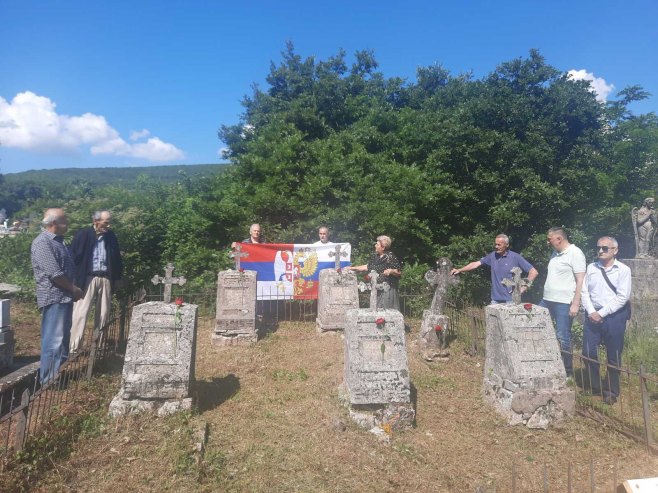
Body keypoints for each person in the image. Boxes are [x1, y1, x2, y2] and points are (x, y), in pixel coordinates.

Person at [31, 208, 83, 383]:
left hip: (63, 297)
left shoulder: (58, 242)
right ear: (53, 223)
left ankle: (57, 375)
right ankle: (48, 381)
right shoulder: (43, 243)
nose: (67, 223)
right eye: (64, 220)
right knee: (53, 340)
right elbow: (54, 273)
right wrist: (73, 288)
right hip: (54, 297)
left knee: (61, 339)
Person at [581, 236, 631, 405]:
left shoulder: (623, 270)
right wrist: (592, 311)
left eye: (605, 248)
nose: (600, 251)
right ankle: (595, 386)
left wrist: (601, 313)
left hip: (614, 316)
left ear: (615, 250)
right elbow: (584, 292)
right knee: (588, 353)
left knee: (613, 354)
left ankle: (611, 391)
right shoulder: (591, 267)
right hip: (592, 314)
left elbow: (622, 297)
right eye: (599, 248)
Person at [69, 210, 123, 353]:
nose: (109, 225)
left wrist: (117, 278)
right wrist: (74, 280)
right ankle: (74, 348)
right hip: (87, 278)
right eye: (106, 222)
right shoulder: (83, 235)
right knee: (81, 312)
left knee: (103, 314)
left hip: (106, 277)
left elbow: (117, 258)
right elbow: (73, 257)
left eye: (110, 222)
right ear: (95, 221)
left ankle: (98, 346)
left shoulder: (111, 236)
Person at [540, 227, 586, 377]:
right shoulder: (555, 253)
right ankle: (544, 363)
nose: (547, 242)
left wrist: (575, 303)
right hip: (547, 300)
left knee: (563, 336)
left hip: (563, 302)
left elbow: (581, 280)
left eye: (549, 239)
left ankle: (567, 372)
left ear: (559, 239)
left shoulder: (575, 253)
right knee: (537, 327)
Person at [450, 234, 538, 304]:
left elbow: (533, 272)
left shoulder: (515, 257)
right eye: (495, 244)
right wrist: (460, 270)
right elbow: (475, 264)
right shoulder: (492, 256)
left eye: (499, 244)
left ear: (507, 245)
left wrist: (524, 287)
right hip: (495, 300)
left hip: (511, 300)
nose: (496, 246)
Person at [346, 235, 401, 310]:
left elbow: (398, 273)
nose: (375, 245)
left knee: (386, 313)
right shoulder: (375, 256)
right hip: (376, 289)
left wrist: (391, 271)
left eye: (377, 244)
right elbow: (367, 267)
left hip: (387, 290)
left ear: (383, 247)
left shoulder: (390, 257)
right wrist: (352, 268)